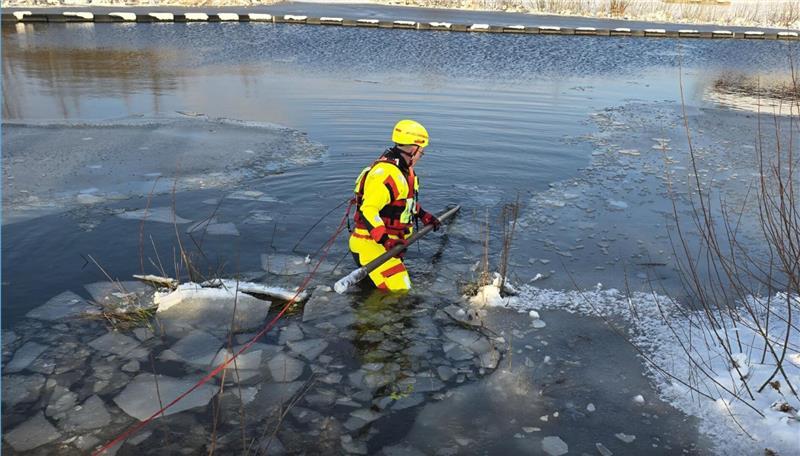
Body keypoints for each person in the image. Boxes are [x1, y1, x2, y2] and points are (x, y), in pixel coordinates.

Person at [349, 119, 441, 291]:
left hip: (389, 245)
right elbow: (368, 210)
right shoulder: (387, 174)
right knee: (400, 292)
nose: (421, 157)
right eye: (421, 152)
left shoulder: (405, 171)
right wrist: (386, 241)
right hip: (372, 246)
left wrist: (424, 215)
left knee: (390, 291)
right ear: (414, 149)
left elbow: (402, 205)